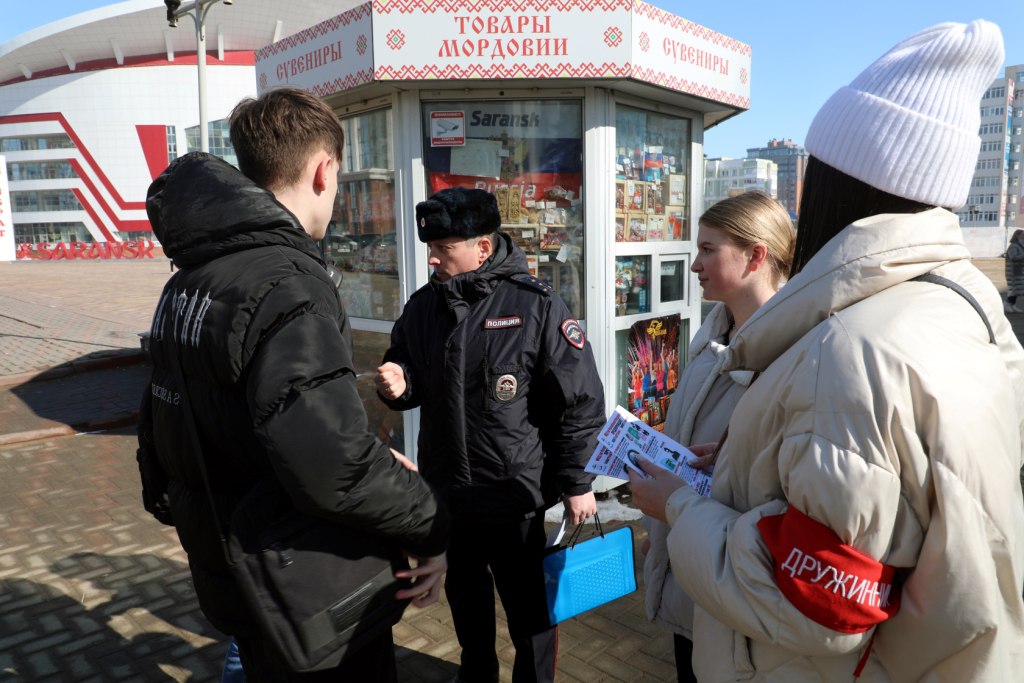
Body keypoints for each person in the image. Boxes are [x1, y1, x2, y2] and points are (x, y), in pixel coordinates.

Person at [630, 20, 1024, 681]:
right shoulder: (968, 308)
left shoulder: (852, 349)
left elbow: (817, 603)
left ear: (846, 180)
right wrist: (739, 466)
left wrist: (679, 505)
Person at [135, 87, 449, 682]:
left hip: (237, 567)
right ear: (324, 171)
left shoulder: (189, 280)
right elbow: (328, 463)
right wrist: (430, 522)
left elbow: (178, 425)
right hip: (302, 583)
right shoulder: (289, 282)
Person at [375, 187, 605, 683]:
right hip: (449, 496)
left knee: (532, 617)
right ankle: (476, 674)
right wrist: (400, 381)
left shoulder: (535, 306)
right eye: (429, 248)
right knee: (467, 609)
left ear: (482, 247)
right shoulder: (423, 308)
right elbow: (410, 369)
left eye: (444, 248)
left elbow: (578, 401)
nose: (433, 259)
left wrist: (576, 481)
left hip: (513, 497)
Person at [643, 191, 794, 683]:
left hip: (741, 585)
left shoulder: (794, 352)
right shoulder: (715, 334)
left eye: (709, 250)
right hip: (694, 566)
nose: (694, 265)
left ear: (755, 255)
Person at [1005, 229, 1024, 313]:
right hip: (1013, 271)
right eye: (1022, 235)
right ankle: (1008, 304)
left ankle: (1013, 305)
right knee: (1013, 289)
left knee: (1017, 289)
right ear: (1017, 235)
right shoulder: (1013, 246)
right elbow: (1013, 257)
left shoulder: (1020, 245)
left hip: (1019, 270)